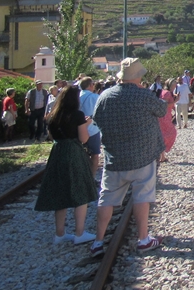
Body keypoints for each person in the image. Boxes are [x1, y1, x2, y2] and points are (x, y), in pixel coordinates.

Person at [90, 58, 166, 256]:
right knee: (142, 196)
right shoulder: (143, 95)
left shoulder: (105, 96)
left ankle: (98, 241)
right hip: (142, 155)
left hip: (114, 157)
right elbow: (162, 110)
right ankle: (143, 239)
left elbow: (97, 119)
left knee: (106, 198)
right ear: (138, 76)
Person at [34, 85, 99, 245]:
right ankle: (79, 233)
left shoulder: (53, 115)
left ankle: (59, 234)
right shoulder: (77, 115)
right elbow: (83, 139)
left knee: (60, 192)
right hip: (73, 152)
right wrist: (87, 123)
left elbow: (51, 136)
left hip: (57, 152)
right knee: (80, 191)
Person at [78, 77, 102, 180]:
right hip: (93, 129)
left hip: (79, 129)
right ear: (90, 85)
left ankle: (81, 176)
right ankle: (92, 178)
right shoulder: (96, 97)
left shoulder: (77, 97)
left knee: (81, 155)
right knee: (95, 154)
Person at [158, 78, 177, 162]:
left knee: (163, 135)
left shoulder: (164, 92)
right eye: (173, 85)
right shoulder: (167, 93)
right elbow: (164, 104)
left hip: (164, 115)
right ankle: (162, 153)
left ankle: (162, 156)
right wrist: (176, 101)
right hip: (164, 116)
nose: (175, 86)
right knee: (171, 133)